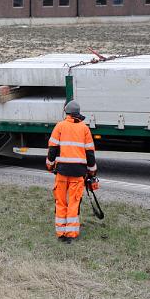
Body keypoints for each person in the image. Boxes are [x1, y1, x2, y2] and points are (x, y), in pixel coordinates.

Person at [46, 101, 97, 244]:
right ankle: (71, 234)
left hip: (62, 171)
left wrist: (49, 165)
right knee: (74, 202)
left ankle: (61, 232)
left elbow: (52, 149)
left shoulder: (59, 126)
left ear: (66, 112)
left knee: (60, 201)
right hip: (78, 172)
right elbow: (90, 154)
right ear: (78, 113)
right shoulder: (84, 129)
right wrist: (92, 171)